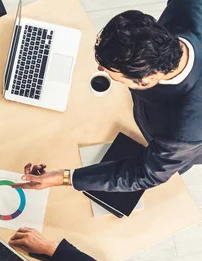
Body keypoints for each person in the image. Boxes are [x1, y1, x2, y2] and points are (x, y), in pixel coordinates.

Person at [15, 2, 202, 193]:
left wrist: (64, 178)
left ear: (148, 78)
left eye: (113, 74)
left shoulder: (183, 133)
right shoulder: (188, 7)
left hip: (174, 145)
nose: (100, 70)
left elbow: (143, 173)